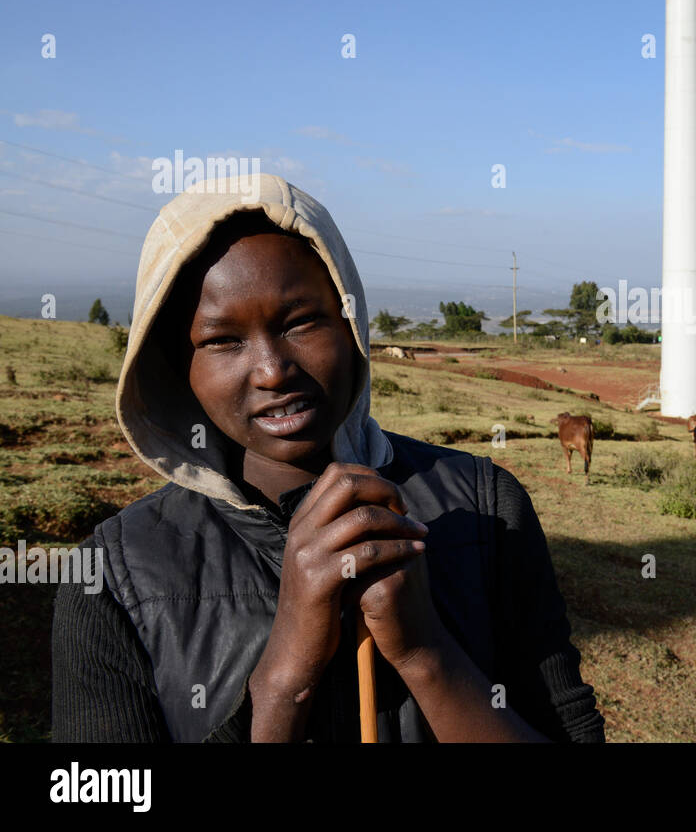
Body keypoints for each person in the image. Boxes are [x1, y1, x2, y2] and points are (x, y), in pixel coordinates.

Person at [50, 174, 605, 742]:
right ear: (176, 366)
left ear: (351, 322)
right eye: (222, 341)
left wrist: (425, 652)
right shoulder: (113, 579)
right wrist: (284, 675)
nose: (272, 371)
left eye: (301, 322)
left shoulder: (487, 508)